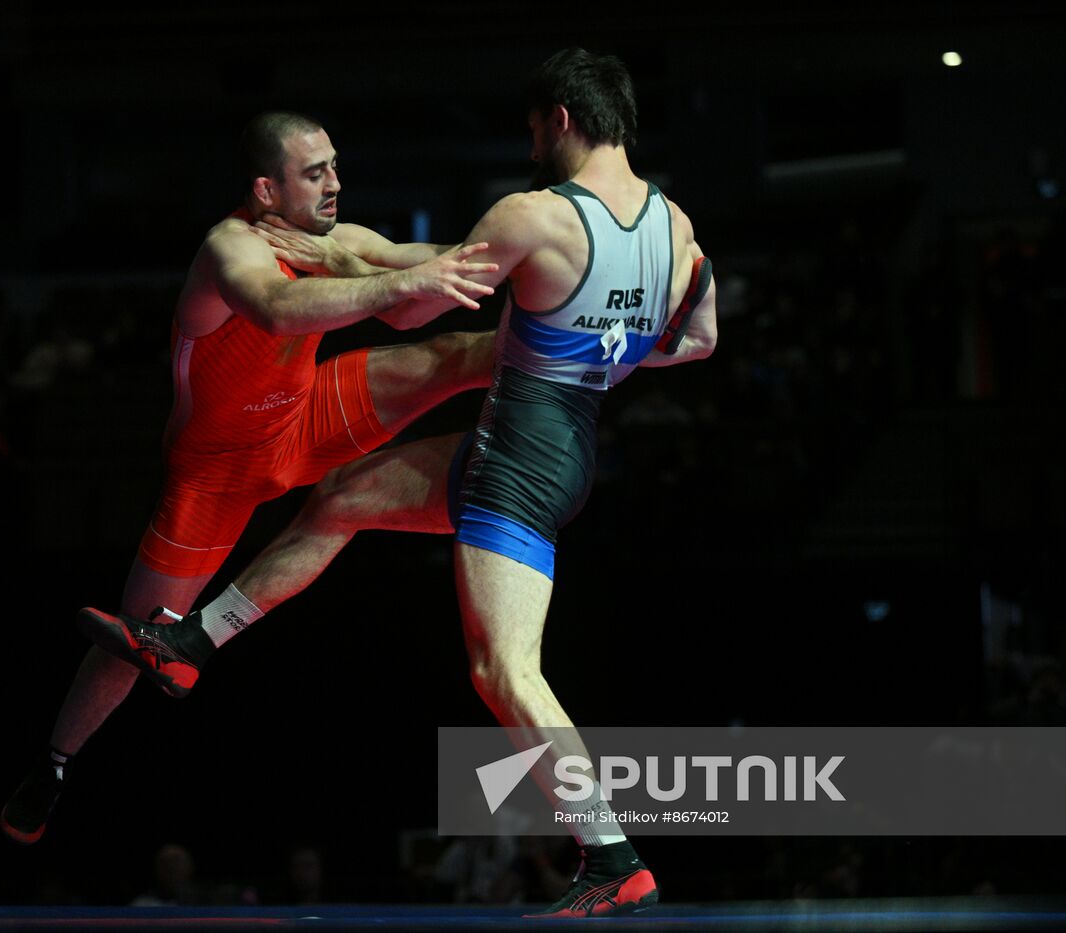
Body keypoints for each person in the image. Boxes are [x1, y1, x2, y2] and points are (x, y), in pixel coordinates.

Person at [80, 50, 718, 918]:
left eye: (535, 128)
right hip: (562, 444)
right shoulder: (676, 229)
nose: (532, 142)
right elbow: (698, 340)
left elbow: (417, 301)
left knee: (504, 670)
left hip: (515, 462)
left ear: (561, 121)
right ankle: (191, 644)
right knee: (343, 497)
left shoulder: (534, 213)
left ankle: (613, 855)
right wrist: (601, 352)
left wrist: (318, 256)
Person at [0, 110, 500, 844]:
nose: (336, 183)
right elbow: (278, 308)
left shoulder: (335, 239)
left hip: (303, 417)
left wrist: (546, 245)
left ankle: (588, 369)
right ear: (266, 190)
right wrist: (392, 281)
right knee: (138, 640)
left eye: (334, 165)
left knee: (456, 351)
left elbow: (448, 267)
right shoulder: (228, 250)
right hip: (215, 474)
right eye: (315, 172)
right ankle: (55, 762)